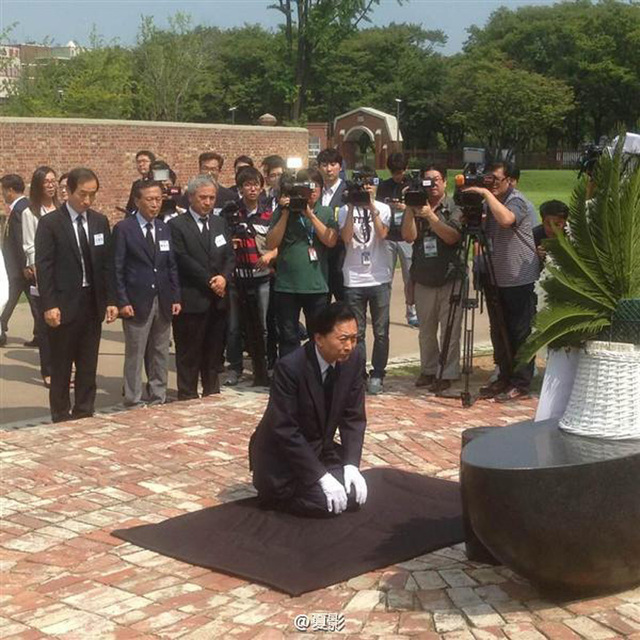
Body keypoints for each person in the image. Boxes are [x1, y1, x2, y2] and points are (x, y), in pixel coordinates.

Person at [249, 302, 368, 517]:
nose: (350, 346)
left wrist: (351, 464)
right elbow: (285, 429)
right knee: (325, 504)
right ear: (319, 338)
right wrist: (320, 477)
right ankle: (280, 496)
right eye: (343, 339)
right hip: (283, 458)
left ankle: (321, 480)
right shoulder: (290, 368)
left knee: (351, 495)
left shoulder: (354, 360)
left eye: (354, 338)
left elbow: (353, 417)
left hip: (321, 449)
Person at [35, 167, 118, 422]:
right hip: (62, 303)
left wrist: (111, 300)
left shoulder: (99, 222)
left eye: (92, 195)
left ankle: (84, 410)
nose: (87, 200)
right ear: (68, 191)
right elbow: (44, 267)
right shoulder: (51, 224)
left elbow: (107, 265)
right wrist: (49, 304)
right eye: (82, 194)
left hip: (91, 303)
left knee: (88, 363)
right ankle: (60, 413)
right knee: (62, 365)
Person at [462, 161, 540, 402]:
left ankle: (521, 382)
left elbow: (506, 220)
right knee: (499, 331)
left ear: (512, 181)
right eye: (489, 179)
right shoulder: (489, 203)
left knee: (519, 332)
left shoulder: (517, 200)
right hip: (495, 276)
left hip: (518, 278)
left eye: (496, 179)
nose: (491, 183)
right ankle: (504, 376)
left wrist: (485, 193)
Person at [113, 181, 182, 407]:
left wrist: (176, 297)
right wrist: (122, 300)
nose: (155, 204)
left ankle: (158, 394)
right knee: (136, 352)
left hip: (162, 299)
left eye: (158, 200)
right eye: (150, 199)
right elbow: (118, 267)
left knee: (160, 351)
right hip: (136, 300)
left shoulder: (163, 228)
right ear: (137, 201)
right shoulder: (125, 229)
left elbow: (171, 265)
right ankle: (133, 398)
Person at [169, 174, 235, 400]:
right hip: (192, 299)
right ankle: (187, 395)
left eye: (212, 198)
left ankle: (211, 393)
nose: (208, 202)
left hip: (218, 300)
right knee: (189, 353)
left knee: (213, 352)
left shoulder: (219, 223)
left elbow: (229, 255)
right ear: (190, 198)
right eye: (203, 197)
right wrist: (210, 280)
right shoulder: (176, 225)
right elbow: (182, 258)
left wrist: (224, 278)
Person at [402, 165, 464, 393]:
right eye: (428, 181)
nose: (433, 185)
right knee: (426, 330)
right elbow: (408, 236)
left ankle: (447, 372)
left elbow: (452, 237)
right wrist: (411, 206)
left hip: (450, 276)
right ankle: (428, 369)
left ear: (445, 182)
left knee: (450, 330)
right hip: (424, 277)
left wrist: (430, 216)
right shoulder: (417, 206)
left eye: (437, 180)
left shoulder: (455, 206)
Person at [266, 167, 338, 357]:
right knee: (288, 337)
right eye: (307, 187)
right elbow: (271, 242)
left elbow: (330, 240)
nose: (312, 191)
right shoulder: (284, 211)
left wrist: (310, 215)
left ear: (321, 189)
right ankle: (291, 377)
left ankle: (316, 375)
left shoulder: (325, 212)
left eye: (316, 187)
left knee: (318, 336)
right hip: (287, 286)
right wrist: (286, 213)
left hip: (316, 286)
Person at [339, 166, 392, 395]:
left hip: (379, 277)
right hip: (354, 277)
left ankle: (378, 373)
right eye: (362, 183)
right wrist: (352, 206)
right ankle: (358, 372)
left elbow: (382, 234)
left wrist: (370, 206)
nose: (366, 187)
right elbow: (347, 237)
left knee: (381, 331)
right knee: (357, 332)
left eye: (370, 182)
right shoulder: (343, 210)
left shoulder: (383, 208)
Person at [225, 166, 275, 386]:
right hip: (237, 279)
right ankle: (234, 368)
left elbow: (279, 242)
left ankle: (262, 368)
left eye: (256, 184)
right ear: (240, 188)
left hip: (262, 277)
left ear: (261, 187)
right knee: (235, 327)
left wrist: (271, 255)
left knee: (263, 327)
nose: (252, 189)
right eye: (247, 185)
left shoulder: (268, 213)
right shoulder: (230, 212)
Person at [22, 166, 60, 387]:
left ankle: (65, 365)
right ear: (38, 185)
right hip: (42, 273)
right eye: (46, 181)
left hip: (62, 272)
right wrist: (38, 271)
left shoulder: (60, 208)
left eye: (53, 181)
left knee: (63, 323)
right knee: (45, 325)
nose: (51, 185)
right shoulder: (31, 212)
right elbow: (29, 245)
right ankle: (49, 370)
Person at [376, 153, 418, 327]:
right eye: (394, 172)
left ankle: (412, 313)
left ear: (406, 169)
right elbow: (378, 207)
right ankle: (382, 314)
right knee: (386, 277)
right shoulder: (384, 186)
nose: (397, 175)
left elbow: (420, 207)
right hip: (388, 235)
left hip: (406, 237)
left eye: (399, 171)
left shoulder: (412, 184)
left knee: (410, 276)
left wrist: (406, 206)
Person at [0, 174, 33, 347]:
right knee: (13, 299)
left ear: (10, 190)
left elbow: (23, 240)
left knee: (11, 299)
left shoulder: (21, 210)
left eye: (3, 190)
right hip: (18, 268)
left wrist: (24, 265)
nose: (3, 194)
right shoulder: (21, 207)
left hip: (20, 269)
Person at [317, 148, 347, 301]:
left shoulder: (348, 191)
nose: (328, 169)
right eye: (324, 165)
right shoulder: (315, 192)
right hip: (320, 256)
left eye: (333, 164)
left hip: (342, 255)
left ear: (340, 167)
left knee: (345, 304)